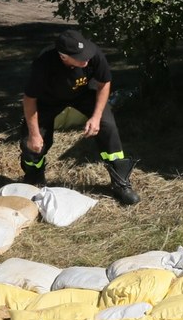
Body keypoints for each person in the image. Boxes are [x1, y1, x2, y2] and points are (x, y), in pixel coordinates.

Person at [20, 29, 140, 205]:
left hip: (84, 95)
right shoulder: (43, 64)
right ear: (63, 57)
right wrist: (34, 134)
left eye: (86, 54)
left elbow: (104, 82)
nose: (86, 59)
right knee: (32, 143)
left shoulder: (93, 54)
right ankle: (33, 181)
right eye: (80, 57)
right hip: (48, 99)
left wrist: (96, 117)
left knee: (108, 127)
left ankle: (121, 184)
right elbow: (30, 99)